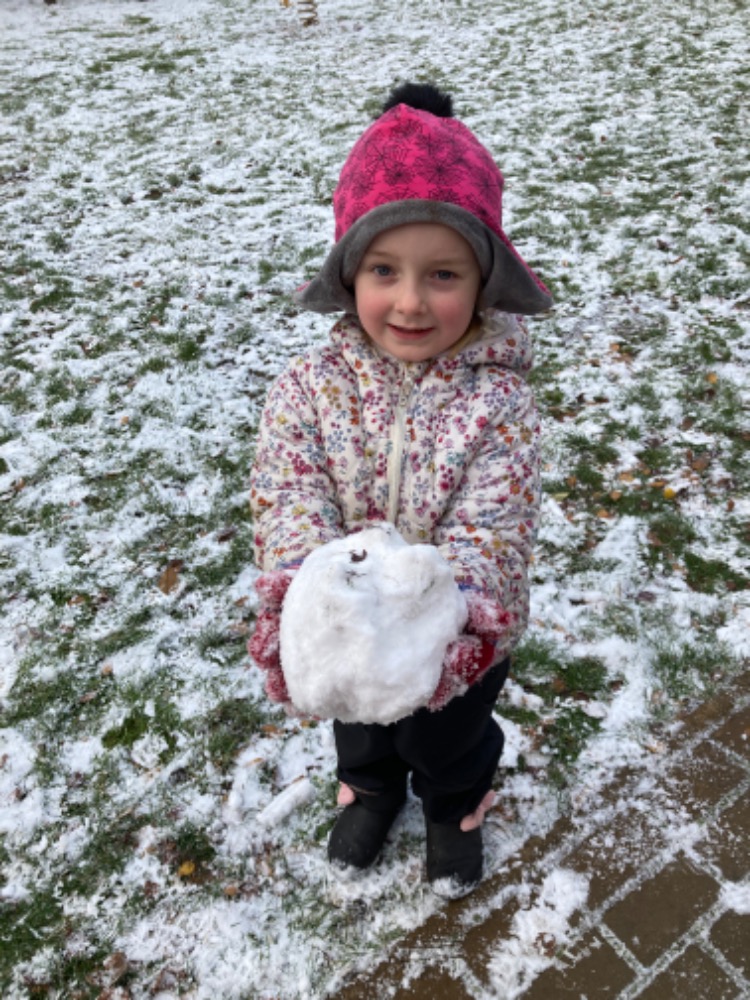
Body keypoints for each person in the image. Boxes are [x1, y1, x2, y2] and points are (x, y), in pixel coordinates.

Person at [248, 81, 551, 898]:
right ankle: (370, 789)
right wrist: (305, 590)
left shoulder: (501, 404)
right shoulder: (309, 388)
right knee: (362, 731)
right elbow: (289, 490)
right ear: (350, 275)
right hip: (348, 625)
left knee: (447, 739)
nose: (411, 302)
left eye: (442, 274)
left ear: (483, 283)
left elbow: (494, 525)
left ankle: (455, 806)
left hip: (456, 638)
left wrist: (458, 620)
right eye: (385, 270)